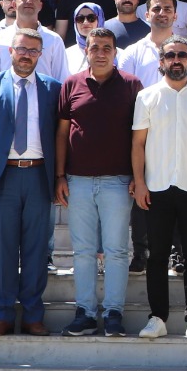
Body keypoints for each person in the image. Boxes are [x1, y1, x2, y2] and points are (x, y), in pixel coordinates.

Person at [0, 27, 61, 337]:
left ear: (40, 55)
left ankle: (33, 315)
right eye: (21, 49)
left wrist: (59, 178)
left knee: (37, 249)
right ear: (11, 51)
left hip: (38, 175)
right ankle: (4, 313)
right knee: (4, 249)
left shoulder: (53, 88)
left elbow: (60, 136)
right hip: (4, 178)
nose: (26, 55)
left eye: (33, 51)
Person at [131, 36, 187, 340]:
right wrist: (140, 182)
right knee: (157, 256)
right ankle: (157, 317)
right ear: (162, 62)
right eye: (170, 55)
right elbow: (138, 143)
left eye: (182, 55)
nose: (176, 60)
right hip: (157, 187)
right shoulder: (147, 96)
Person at [56, 26, 142, 339]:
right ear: (86, 51)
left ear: (115, 52)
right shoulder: (71, 84)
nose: (101, 53)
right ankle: (86, 313)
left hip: (118, 181)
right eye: (95, 47)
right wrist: (59, 175)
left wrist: (138, 177)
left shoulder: (132, 85)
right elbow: (61, 133)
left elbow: (140, 136)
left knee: (117, 251)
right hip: (77, 181)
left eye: (107, 48)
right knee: (83, 251)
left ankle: (114, 313)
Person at [0, 0, 68, 83]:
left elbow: (62, 81)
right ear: (14, 4)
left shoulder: (54, 40)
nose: (29, 1)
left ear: (40, 5)